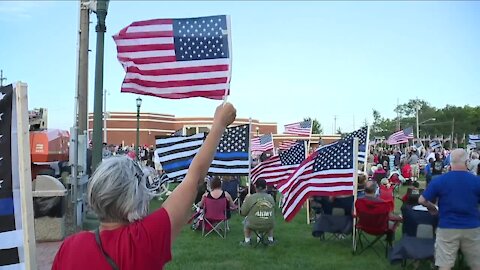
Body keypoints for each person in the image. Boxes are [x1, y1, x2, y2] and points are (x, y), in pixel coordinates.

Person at [52, 103, 237, 270]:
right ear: (135, 196)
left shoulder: (69, 247)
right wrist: (218, 125)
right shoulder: (144, 239)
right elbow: (194, 178)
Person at [419, 149, 480, 270]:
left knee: (445, 265)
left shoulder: (440, 180)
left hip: (447, 227)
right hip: (472, 227)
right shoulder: (476, 181)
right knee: (477, 263)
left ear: (450, 162)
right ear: (467, 162)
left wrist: (433, 208)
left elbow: (421, 200)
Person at [240, 179, 276, 246]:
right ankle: (270, 239)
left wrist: (245, 200)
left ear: (255, 187)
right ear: (265, 187)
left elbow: (243, 213)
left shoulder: (250, 198)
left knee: (246, 221)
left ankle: (247, 241)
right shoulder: (271, 198)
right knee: (269, 218)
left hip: (254, 224)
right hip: (269, 224)